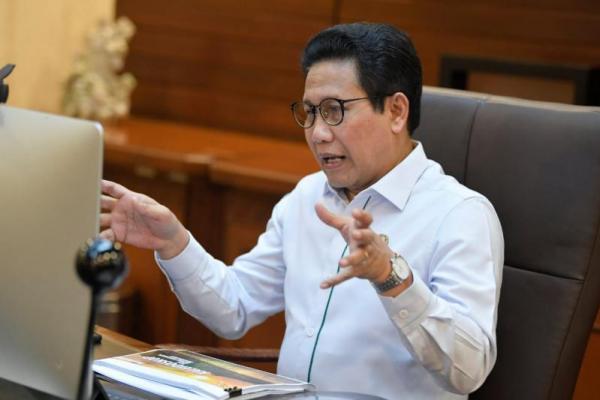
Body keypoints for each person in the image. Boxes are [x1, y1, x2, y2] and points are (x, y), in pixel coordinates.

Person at [100, 22, 504, 399]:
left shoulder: (460, 215)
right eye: (310, 113)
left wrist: (390, 276)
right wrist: (174, 243)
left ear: (396, 111)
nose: (318, 133)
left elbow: (469, 369)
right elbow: (233, 308)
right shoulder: (308, 196)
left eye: (335, 110)